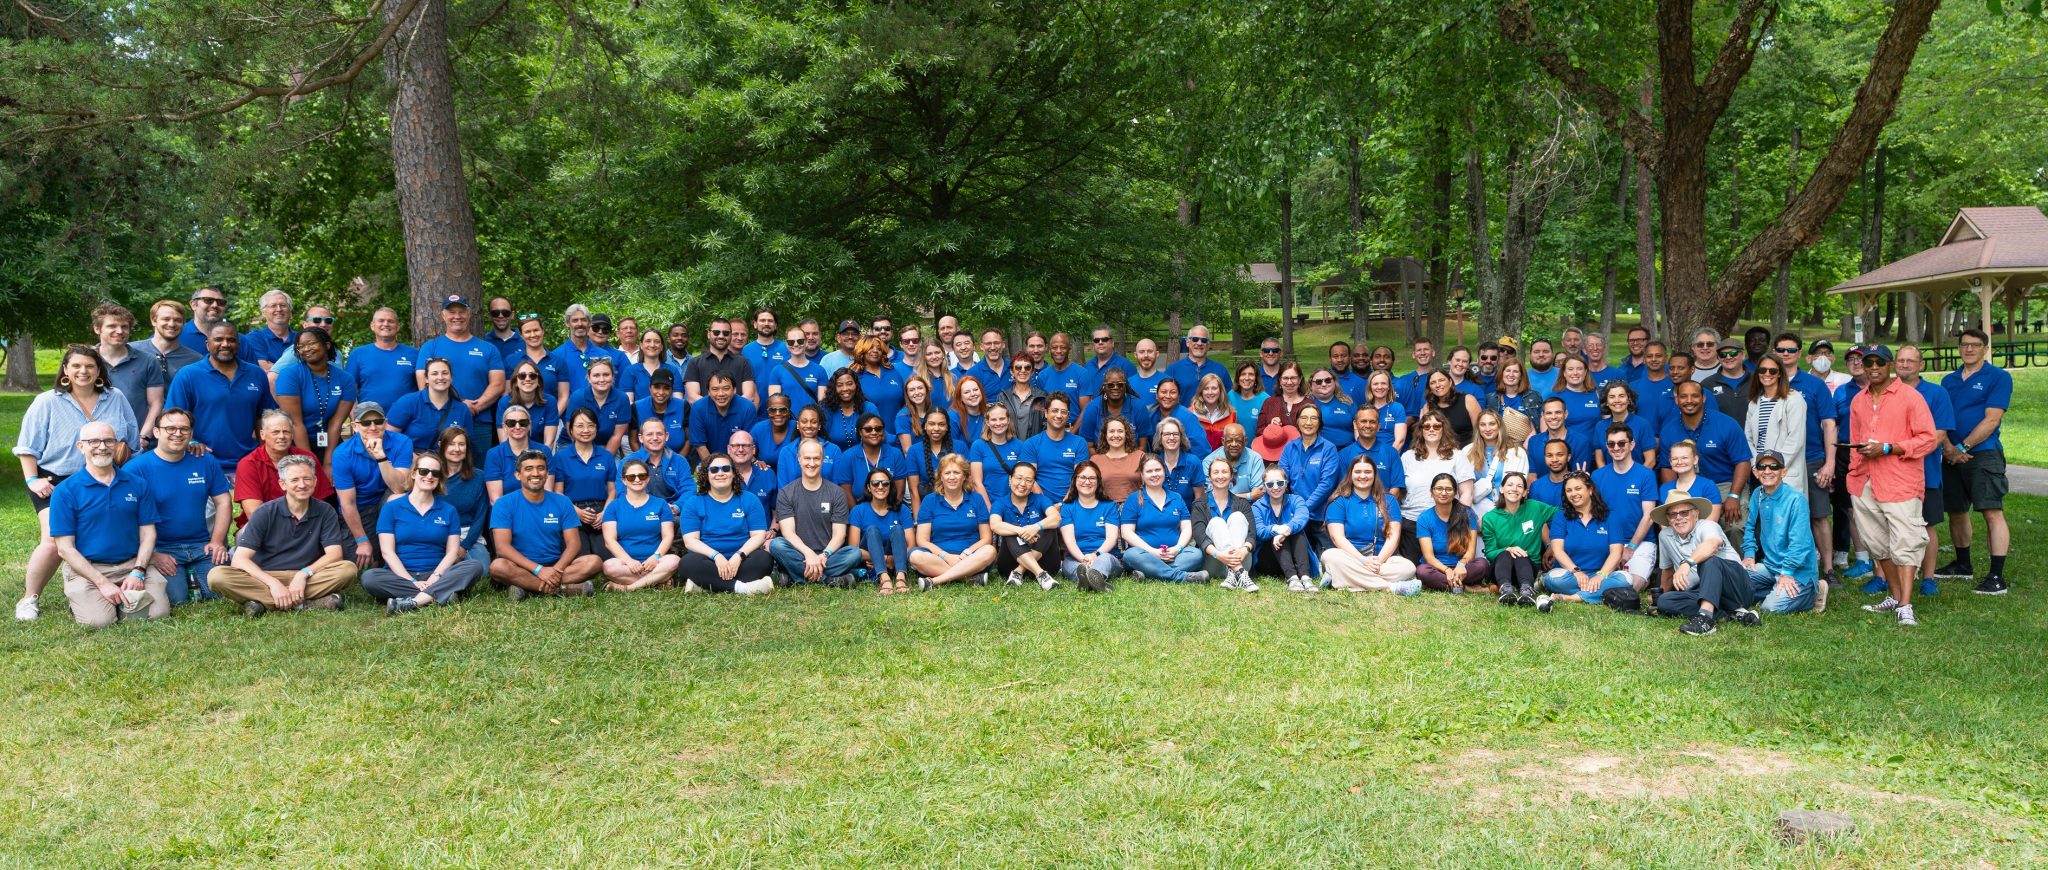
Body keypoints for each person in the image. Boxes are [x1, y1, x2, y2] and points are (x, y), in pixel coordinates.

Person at [15, 346, 141, 621]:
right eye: (76, 366)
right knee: (52, 540)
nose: (83, 371)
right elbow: (27, 447)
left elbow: (131, 440)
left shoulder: (115, 397)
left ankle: (94, 587)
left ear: (99, 372)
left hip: (105, 476)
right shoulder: (47, 401)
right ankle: (29, 598)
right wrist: (32, 479)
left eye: (90, 366)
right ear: (66, 371)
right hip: (55, 481)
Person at [46, 421, 169, 627]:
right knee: (99, 622)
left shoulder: (137, 484)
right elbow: (65, 549)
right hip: (89, 569)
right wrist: (102, 583)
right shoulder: (66, 491)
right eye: (94, 441)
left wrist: (138, 571)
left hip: (132, 564)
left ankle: (115, 599)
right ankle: (86, 600)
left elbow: (148, 534)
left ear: (116, 444)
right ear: (80, 446)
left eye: (108, 441)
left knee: (157, 614)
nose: (102, 447)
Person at [1849, 345, 1938, 626]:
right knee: (1877, 543)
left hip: (1900, 480)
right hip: (1864, 480)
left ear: (1890, 366)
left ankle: (1906, 605)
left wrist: (1889, 448)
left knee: (1906, 542)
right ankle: (1896, 597)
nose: (1873, 367)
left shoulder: (1911, 397)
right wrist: (1854, 470)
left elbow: (1928, 439)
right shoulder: (1858, 400)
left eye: (1879, 362)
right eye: (1868, 363)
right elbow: (1855, 439)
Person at [211, 455, 360, 617]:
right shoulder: (264, 512)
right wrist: (273, 584)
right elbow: (239, 559)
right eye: (295, 480)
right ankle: (305, 604)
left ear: (315, 481)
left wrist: (303, 575)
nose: (302, 485)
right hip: (266, 575)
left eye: (307, 479)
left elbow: (335, 554)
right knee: (217, 576)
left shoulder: (325, 511)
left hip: (308, 576)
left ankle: (263, 604)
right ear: (283, 484)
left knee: (347, 569)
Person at [126, 409, 232, 606]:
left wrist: (217, 541)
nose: (178, 433)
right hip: (162, 548)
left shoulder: (204, 460)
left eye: (184, 429)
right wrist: (152, 555)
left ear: (191, 434)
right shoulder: (136, 469)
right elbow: (125, 518)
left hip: (201, 545)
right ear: (156, 432)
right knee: (177, 599)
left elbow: (224, 501)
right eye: (170, 428)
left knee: (219, 593)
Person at [1938, 328, 2013, 595]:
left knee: (1991, 511)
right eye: (1964, 345)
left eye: (1975, 345)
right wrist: (1947, 447)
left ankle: (1996, 576)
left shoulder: (1998, 377)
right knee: (1956, 511)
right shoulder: (1949, 380)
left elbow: (1992, 419)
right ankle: (1962, 565)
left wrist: (1962, 446)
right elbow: (1941, 417)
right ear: (1959, 348)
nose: (1969, 349)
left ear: (1985, 348)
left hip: (1983, 453)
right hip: (1950, 455)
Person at [364, 450, 483, 614]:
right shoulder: (392, 507)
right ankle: (440, 594)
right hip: (400, 575)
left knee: (474, 566)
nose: (429, 476)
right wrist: (411, 580)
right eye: (423, 471)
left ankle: (413, 602)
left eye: (435, 473)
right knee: (369, 578)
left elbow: (452, 553)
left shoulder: (448, 511)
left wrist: (435, 577)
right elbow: (387, 552)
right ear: (413, 473)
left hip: (436, 573)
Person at [489, 448, 602, 599]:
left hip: (555, 565)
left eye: (540, 468)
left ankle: (527, 588)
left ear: (547, 473)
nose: (535, 473)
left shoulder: (562, 501)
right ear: (518, 475)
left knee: (594, 562)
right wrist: (539, 570)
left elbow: (574, 543)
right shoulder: (504, 503)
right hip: (520, 566)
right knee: (498, 566)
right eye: (528, 469)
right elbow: (502, 547)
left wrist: (556, 570)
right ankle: (562, 590)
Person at [167, 323, 273, 479]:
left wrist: (266, 452)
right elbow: (171, 418)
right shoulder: (188, 375)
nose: (225, 344)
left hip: (249, 462)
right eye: (218, 339)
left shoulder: (256, 374)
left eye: (231, 340)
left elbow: (264, 417)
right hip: (202, 461)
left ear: (238, 344)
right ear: (207, 344)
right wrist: (191, 441)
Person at [1649, 491, 1763, 636]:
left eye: (1684, 512)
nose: (1678, 518)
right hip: (1704, 590)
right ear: (1668, 519)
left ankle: (1705, 619)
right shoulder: (1665, 536)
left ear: (1696, 514)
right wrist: (1658, 598)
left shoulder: (1707, 525)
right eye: (1673, 514)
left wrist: (1687, 564)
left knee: (1709, 560)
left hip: (1736, 587)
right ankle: (1732, 614)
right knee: (1665, 602)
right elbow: (1668, 571)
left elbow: (1712, 545)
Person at [1894, 345, 1955, 595]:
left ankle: (1928, 578)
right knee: (1890, 526)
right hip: (1891, 474)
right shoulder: (1885, 391)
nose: (1905, 364)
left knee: (1926, 526)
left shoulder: (1936, 393)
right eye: (1900, 360)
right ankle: (1885, 576)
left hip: (1925, 472)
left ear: (1921, 365)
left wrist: (1906, 452)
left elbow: (1939, 434)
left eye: (1911, 361)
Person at [332, 401, 416, 568]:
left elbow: (399, 487)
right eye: (365, 423)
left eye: (378, 421)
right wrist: (362, 541)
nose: (373, 427)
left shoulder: (402, 442)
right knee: (362, 565)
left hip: (389, 501)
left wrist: (381, 456)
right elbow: (347, 503)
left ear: (385, 423)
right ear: (355, 426)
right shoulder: (342, 453)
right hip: (360, 508)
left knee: (398, 498)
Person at [1321, 456, 1420, 594]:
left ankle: (1341, 577)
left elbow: (1393, 537)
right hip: (1350, 557)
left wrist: (1378, 561)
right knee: (1330, 556)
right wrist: (1362, 561)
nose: (1362, 476)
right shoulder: (1339, 501)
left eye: (1367, 472)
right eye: (1357, 472)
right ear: (1350, 474)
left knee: (1408, 567)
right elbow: (1338, 538)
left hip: (1381, 560)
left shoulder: (1389, 500)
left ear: (1374, 475)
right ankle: (1391, 587)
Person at [770, 441, 864, 587]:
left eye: (816, 458)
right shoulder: (786, 493)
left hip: (828, 556)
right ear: (799, 459)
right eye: (807, 458)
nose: (812, 463)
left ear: (822, 460)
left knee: (854, 553)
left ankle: (796, 577)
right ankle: (829, 580)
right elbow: (788, 533)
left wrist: (822, 556)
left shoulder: (836, 493)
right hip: (799, 553)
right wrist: (809, 555)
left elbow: (839, 535)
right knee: (776, 544)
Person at [417, 295, 507, 447]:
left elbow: (498, 385)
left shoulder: (488, 349)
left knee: (478, 470)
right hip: (440, 419)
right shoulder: (430, 347)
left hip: (479, 422)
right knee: (440, 468)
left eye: (461, 311)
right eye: (452, 312)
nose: (457, 316)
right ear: (443, 315)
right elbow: (423, 384)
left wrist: (474, 407)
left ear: (469, 314)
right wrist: (458, 407)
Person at [1536, 473, 1630, 613]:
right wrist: (1576, 572)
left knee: (1626, 580)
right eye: (1569, 490)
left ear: (1590, 489)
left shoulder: (1611, 516)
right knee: (1553, 579)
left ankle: (1572, 597)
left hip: (1602, 575)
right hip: (1570, 576)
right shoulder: (1561, 516)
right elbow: (1558, 550)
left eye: (1578, 488)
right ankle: (1598, 594)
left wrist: (1601, 575)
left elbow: (1616, 552)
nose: (1574, 494)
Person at [1742, 451, 1820, 614]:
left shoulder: (1796, 500)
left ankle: (1811, 594)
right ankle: (1775, 588)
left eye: (1774, 466)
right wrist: (1749, 554)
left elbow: (1800, 544)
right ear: (1756, 472)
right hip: (1770, 566)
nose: (1767, 471)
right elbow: (1749, 527)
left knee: (1770, 608)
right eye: (1762, 467)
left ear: (1784, 471)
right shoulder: (1758, 494)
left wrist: (1787, 572)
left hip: (1797, 571)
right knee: (1736, 579)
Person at [908, 454, 997, 589]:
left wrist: (967, 553)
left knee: (990, 551)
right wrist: (946, 556)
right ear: (941, 477)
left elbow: (986, 538)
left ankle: (936, 581)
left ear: (964, 476)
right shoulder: (930, 500)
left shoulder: (976, 499)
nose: (952, 477)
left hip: (970, 557)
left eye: (956, 472)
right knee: (915, 556)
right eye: (947, 473)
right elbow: (922, 539)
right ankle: (969, 578)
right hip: (938, 557)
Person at [1590, 422, 1660, 590]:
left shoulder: (1646, 475)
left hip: (1640, 542)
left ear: (1632, 445)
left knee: (1631, 587)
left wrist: (1631, 547)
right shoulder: (1598, 475)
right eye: (1611, 444)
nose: (1616, 448)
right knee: (1594, 580)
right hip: (1607, 541)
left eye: (1622, 443)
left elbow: (1649, 516)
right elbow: (1594, 513)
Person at [596, 458, 682, 593]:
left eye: (641, 475)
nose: (637, 480)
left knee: (674, 560)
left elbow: (668, 536)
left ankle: (628, 588)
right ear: (624, 480)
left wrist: (656, 557)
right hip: (624, 563)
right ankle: (657, 582)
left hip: (655, 562)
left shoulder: (661, 504)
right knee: (609, 566)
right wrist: (629, 561)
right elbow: (609, 541)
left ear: (647, 479)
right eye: (631, 477)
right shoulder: (614, 506)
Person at [1398, 409, 1475, 561]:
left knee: (1445, 564)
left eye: (1436, 426)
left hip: (1447, 523)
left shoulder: (1457, 456)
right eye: (1426, 426)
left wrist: (1459, 520)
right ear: (1420, 430)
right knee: (1414, 569)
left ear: (1443, 429)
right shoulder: (1407, 457)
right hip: (1412, 520)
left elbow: (1466, 492)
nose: (1431, 429)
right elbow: (1400, 492)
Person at [1120, 454, 1208, 583]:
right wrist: (1153, 552)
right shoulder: (1133, 499)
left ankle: (1150, 573)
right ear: (1142, 475)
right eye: (1149, 471)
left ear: (1164, 471)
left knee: (1196, 555)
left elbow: (1187, 528)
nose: (1154, 474)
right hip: (1144, 554)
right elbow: (1126, 532)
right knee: (1130, 555)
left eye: (1158, 470)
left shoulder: (1176, 497)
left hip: (1174, 555)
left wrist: (1177, 549)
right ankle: (1181, 577)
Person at [234, 410, 335, 520]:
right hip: (264, 526)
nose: (282, 436)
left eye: (286, 432)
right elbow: (254, 513)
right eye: (275, 432)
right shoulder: (248, 464)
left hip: (306, 523)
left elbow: (321, 502)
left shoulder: (307, 459)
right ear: (262, 434)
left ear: (292, 435)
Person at [92, 303, 165, 440]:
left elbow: (156, 403)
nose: (120, 331)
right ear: (97, 328)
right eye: (112, 326)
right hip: (93, 441)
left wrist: (144, 437)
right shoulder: (85, 362)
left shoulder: (148, 361)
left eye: (124, 326)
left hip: (134, 442)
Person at [989, 461, 1063, 589]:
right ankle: (1041, 575)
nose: (1023, 484)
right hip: (1010, 563)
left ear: (1033, 483)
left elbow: (1056, 518)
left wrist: (1035, 527)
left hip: (1045, 562)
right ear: (1010, 479)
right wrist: (1020, 530)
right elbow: (995, 525)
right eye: (1019, 478)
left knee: (1049, 526)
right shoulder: (1000, 503)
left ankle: (1019, 572)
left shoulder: (1040, 499)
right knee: (1009, 529)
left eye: (1028, 480)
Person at [1482, 471, 1552, 606]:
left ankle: (1527, 591)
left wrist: (1552, 545)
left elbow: (1561, 513)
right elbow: (1490, 553)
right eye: (1510, 485)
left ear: (1525, 492)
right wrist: (1508, 549)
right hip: (1500, 570)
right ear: (1501, 489)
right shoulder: (1490, 518)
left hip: (1529, 568)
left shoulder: (1535, 507)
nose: (1514, 489)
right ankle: (1505, 590)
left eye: (1519, 486)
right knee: (1507, 553)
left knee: (1520, 555)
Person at [1743, 354, 1809, 497]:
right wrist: (1757, 465)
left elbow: (1795, 440)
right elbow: (1748, 438)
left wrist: (1773, 467)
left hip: (1785, 473)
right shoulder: (1754, 403)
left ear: (1780, 373)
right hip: (1760, 473)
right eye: (1762, 370)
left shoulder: (1793, 399)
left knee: (1787, 517)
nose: (1767, 374)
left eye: (1772, 371)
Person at [1414, 472, 1489, 593]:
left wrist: (1461, 565)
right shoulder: (1424, 518)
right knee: (1422, 571)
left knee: (1482, 564)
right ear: (1431, 491)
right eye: (1439, 488)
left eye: (1448, 489)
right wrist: (1447, 570)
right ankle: (1466, 588)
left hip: (1463, 569)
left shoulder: (1467, 514)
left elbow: (1471, 551)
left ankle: (1441, 584)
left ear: (1455, 493)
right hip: (1437, 568)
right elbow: (1429, 557)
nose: (1443, 493)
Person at [1280, 404, 1341, 550]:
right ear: (1297, 422)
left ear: (1319, 422)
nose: (1308, 422)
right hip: (1294, 513)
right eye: (1304, 418)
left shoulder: (1329, 448)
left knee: (1326, 560)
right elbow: (1282, 478)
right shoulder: (1290, 447)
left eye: (1313, 418)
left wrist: (1304, 509)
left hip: (1321, 515)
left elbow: (1326, 484)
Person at [1194, 456, 1258, 591]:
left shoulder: (1242, 504)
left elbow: (1252, 534)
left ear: (1231, 476)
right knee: (1217, 522)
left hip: (1241, 558)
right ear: (1210, 477)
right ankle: (1239, 573)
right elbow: (1200, 537)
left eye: (1224, 472)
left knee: (1238, 517)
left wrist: (1243, 550)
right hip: (1215, 560)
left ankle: (1233, 574)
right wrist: (1219, 555)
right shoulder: (1199, 505)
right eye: (1216, 472)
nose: (1220, 476)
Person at [1058, 461, 1121, 592]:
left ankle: (1091, 577)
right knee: (1070, 566)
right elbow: (1070, 541)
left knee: (1104, 560)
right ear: (1075, 480)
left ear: (1098, 481)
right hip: (1076, 558)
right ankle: (1094, 580)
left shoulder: (1109, 506)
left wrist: (1095, 555)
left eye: (1092, 478)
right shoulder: (1067, 508)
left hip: (1105, 555)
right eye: (1082, 477)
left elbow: (1111, 539)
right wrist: (1083, 559)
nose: (1087, 482)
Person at [388, 356, 474, 452]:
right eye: (434, 373)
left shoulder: (462, 409)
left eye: (445, 373)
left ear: (451, 377)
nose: (440, 377)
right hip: (412, 461)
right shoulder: (408, 402)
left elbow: (466, 444)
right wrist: (412, 458)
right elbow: (389, 438)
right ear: (426, 378)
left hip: (448, 462)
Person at [345, 308, 422, 411]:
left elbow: (423, 389)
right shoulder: (358, 354)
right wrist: (356, 418)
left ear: (398, 326)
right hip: (370, 420)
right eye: (381, 320)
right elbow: (348, 390)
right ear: (372, 325)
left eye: (391, 321)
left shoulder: (414, 354)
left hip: (407, 419)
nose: (386, 324)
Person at [851, 468, 914, 595]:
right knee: (872, 530)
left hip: (895, 561)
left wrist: (893, 559)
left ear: (890, 486)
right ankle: (884, 578)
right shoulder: (858, 510)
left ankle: (901, 577)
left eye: (885, 483)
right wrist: (885, 559)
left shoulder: (902, 510)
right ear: (869, 487)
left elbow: (911, 545)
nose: (880, 486)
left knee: (897, 529)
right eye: (875, 483)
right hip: (871, 563)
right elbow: (853, 549)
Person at [1250, 465, 1312, 590]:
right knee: (1277, 536)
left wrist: (1285, 530)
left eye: (1280, 483)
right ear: (1264, 487)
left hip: (1295, 558)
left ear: (1286, 483)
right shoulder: (1257, 507)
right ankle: (1292, 578)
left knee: (1296, 531)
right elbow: (1259, 531)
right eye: (1270, 484)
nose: (1276, 487)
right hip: (1268, 561)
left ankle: (1305, 577)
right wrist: (1276, 529)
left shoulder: (1296, 500)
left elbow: (1302, 517)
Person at [437, 427, 491, 566]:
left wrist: (464, 546)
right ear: (441, 445)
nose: (457, 449)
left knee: (482, 568)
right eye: (451, 444)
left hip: (468, 535)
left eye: (461, 444)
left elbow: (480, 516)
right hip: (438, 533)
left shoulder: (479, 477)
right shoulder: (432, 474)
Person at [1025, 393, 1089, 501]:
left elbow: (1080, 478)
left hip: (1072, 504)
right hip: (1039, 504)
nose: (1059, 415)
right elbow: (1029, 478)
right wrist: (1047, 506)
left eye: (1063, 412)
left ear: (1068, 416)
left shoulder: (1079, 443)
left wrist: (1063, 504)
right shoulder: (1031, 444)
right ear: (1046, 413)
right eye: (1054, 410)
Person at [507, 312, 570, 418]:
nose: (533, 335)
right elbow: (508, 394)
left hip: (551, 419)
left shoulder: (558, 362)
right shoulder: (511, 360)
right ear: (521, 335)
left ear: (543, 331)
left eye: (536, 330)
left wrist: (551, 418)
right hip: (519, 422)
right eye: (527, 332)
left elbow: (564, 396)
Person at [1338, 409, 1407, 505]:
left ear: (1379, 426)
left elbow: (1395, 489)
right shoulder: (1343, 454)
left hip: (1385, 510)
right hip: (1354, 511)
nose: (1368, 425)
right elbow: (1344, 489)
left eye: (1372, 422)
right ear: (1355, 424)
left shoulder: (1391, 453)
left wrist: (1380, 510)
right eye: (1363, 421)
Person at [1466, 410, 1528, 516]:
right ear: (1478, 428)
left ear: (1499, 426)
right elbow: (1463, 489)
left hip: (1509, 512)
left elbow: (1520, 485)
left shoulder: (1517, 452)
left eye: (1492, 424)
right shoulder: (1467, 451)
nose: (1488, 429)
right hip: (1478, 512)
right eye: (1483, 425)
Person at [482, 405, 551, 501]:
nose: (517, 427)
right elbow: (496, 500)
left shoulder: (544, 451)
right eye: (511, 423)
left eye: (523, 423)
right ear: (504, 427)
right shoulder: (494, 454)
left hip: (538, 510)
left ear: (529, 425)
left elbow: (548, 491)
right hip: (507, 513)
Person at [550, 304, 620, 399]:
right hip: (571, 411)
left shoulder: (603, 355)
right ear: (567, 323)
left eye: (583, 320)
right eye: (575, 320)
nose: (580, 324)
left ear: (589, 323)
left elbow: (611, 387)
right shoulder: (556, 356)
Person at [563, 357, 631, 452]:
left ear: (613, 377)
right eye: (596, 375)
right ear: (589, 378)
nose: (602, 379)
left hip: (608, 446)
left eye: (606, 375)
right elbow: (572, 430)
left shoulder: (622, 398)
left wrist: (603, 460)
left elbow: (617, 436)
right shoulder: (578, 397)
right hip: (573, 444)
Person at [131, 299, 205, 384]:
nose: (172, 324)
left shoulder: (195, 360)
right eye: (166, 319)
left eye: (178, 320)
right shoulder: (132, 351)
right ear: (154, 321)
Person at [624, 416, 699, 500]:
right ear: (641, 438)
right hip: (640, 510)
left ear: (666, 436)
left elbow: (689, 490)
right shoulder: (627, 463)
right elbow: (622, 493)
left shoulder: (680, 461)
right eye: (649, 434)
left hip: (673, 510)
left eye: (659, 434)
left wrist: (677, 507)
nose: (655, 438)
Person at [764, 325, 828, 416]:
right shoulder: (777, 371)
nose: (796, 344)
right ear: (786, 344)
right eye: (791, 342)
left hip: (810, 423)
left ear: (806, 343)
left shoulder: (819, 370)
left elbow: (822, 404)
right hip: (786, 422)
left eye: (800, 341)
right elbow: (775, 404)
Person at [1658, 439, 1724, 528]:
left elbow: (1711, 523)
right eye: (1675, 459)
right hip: (1674, 539)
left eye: (1684, 458)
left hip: (1703, 538)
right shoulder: (1665, 489)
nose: (1679, 462)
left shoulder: (1708, 486)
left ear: (1695, 459)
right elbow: (1664, 526)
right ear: (1670, 462)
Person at [1592, 381, 1657, 469]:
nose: (1617, 400)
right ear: (1606, 401)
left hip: (1638, 480)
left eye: (1621, 396)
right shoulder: (1600, 426)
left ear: (1629, 399)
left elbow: (1650, 461)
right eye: (1612, 397)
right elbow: (1600, 461)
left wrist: (1635, 480)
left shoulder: (1642, 424)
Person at [969, 403, 1027, 499]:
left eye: (1002, 419)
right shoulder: (978, 446)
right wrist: (990, 509)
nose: (998, 423)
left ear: (1008, 420)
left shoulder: (1019, 445)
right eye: (993, 419)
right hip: (987, 503)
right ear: (987, 422)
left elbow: (1022, 478)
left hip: (1013, 503)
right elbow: (976, 483)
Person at [1079, 368, 1150, 446]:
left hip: (1133, 455)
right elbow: (1089, 446)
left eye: (1120, 384)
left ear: (1125, 386)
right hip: (1100, 455)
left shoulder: (1138, 406)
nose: (1115, 387)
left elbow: (1142, 446)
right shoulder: (1092, 408)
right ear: (1104, 387)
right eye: (1110, 385)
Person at [499, 359, 562, 446]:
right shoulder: (505, 403)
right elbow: (504, 442)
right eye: (522, 376)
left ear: (538, 381)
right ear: (516, 382)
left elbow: (549, 442)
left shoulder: (550, 401)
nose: (527, 379)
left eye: (532, 376)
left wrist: (539, 459)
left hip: (540, 454)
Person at [621, 327, 685, 404]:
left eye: (657, 342)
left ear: (661, 347)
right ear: (641, 345)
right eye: (648, 341)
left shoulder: (672, 371)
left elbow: (678, 402)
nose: (652, 345)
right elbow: (628, 402)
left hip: (668, 415)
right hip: (638, 415)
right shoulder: (630, 371)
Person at [631, 367, 687, 449]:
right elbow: (633, 441)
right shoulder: (637, 407)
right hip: (644, 460)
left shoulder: (683, 406)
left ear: (672, 390)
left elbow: (689, 440)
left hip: (678, 458)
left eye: (666, 388)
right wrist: (643, 460)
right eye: (657, 387)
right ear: (650, 388)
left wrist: (678, 461)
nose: (661, 392)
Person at [240, 290, 297, 368]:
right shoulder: (255, 338)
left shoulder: (301, 338)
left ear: (290, 311)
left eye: (283, 305)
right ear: (263, 313)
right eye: (273, 306)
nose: (279, 309)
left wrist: (274, 367)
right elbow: (264, 368)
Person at [1036, 332, 1094, 411]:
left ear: (1069, 349)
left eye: (1063, 347)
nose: (1058, 351)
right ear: (1050, 350)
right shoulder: (1043, 376)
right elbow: (1040, 409)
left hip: (1073, 423)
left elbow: (1086, 412)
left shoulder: (1082, 374)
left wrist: (1075, 424)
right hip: (1050, 423)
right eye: (1054, 347)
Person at [1092, 416, 1143, 503]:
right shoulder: (1095, 460)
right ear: (1105, 435)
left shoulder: (1140, 456)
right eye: (1111, 431)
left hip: (1134, 508)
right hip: (1105, 509)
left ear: (1126, 434)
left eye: (1120, 431)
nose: (1116, 435)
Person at [1203, 422, 1264, 497]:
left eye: (1238, 440)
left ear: (1245, 441)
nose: (1234, 444)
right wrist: (1248, 496)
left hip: (1248, 507)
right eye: (1229, 441)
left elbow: (1258, 494)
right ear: (1223, 441)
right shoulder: (1209, 461)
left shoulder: (1255, 459)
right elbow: (1211, 496)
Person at [739, 307, 789, 394]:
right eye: (762, 320)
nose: (766, 323)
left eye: (770, 321)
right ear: (755, 324)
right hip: (755, 404)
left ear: (775, 325)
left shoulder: (786, 348)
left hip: (781, 404)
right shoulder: (746, 350)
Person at [1153, 418, 1203, 505]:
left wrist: (1193, 518)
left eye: (1175, 434)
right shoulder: (1153, 463)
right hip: (1159, 516)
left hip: (1188, 516)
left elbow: (1199, 498)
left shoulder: (1193, 462)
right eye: (1167, 434)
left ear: (1181, 437)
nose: (1171, 437)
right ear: (1160, 438)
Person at [997, 354, 1047, 438]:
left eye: (1027, 367)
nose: (1023, 370)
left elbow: (1046, 426)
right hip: (1010, 447)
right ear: (1012, 371)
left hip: (1034, 448)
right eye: (1018, 367)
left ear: (1032, 372)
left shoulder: (1042, 397)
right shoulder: (1003, 397)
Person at [1703, 337, 1752, 422]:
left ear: (1743, 355)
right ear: (1718, 358)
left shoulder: (1757, 380)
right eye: (1723, 355)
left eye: (1733, 353)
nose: (1728, 357)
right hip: (1721, 434)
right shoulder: (1707, 384)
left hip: (1753, 434)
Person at [1256, 361, 1310, 434]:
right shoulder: (1269, 403)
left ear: (1300, 380)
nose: (1289, 382)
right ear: (1280, 380)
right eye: (1285, 378)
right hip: (1274, 445)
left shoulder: (1309, 404)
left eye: (1293, 378)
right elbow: (1259, 432)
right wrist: (1271, 428)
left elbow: (1315, 432)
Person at [1188, 372, 1235, 453]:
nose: (1210, 392)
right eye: (1206, 389)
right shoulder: (1190, 414)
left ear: (1220, 391)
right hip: (1198, 461)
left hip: (1222, 462)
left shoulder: (1231, 414)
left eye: (1214, 388)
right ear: (1201, 391)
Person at [1363, 369, 1408, 451]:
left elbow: (1400, 441)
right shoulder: (1363, 410)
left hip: (1391, 454)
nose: (1379, 387)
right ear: (1370, 387)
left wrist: (1388, 458)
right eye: (1375, 384)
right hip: (1368, 456)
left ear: (1389, 387)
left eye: (1383, 383)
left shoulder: (1397, 408)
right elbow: (1358, 437)